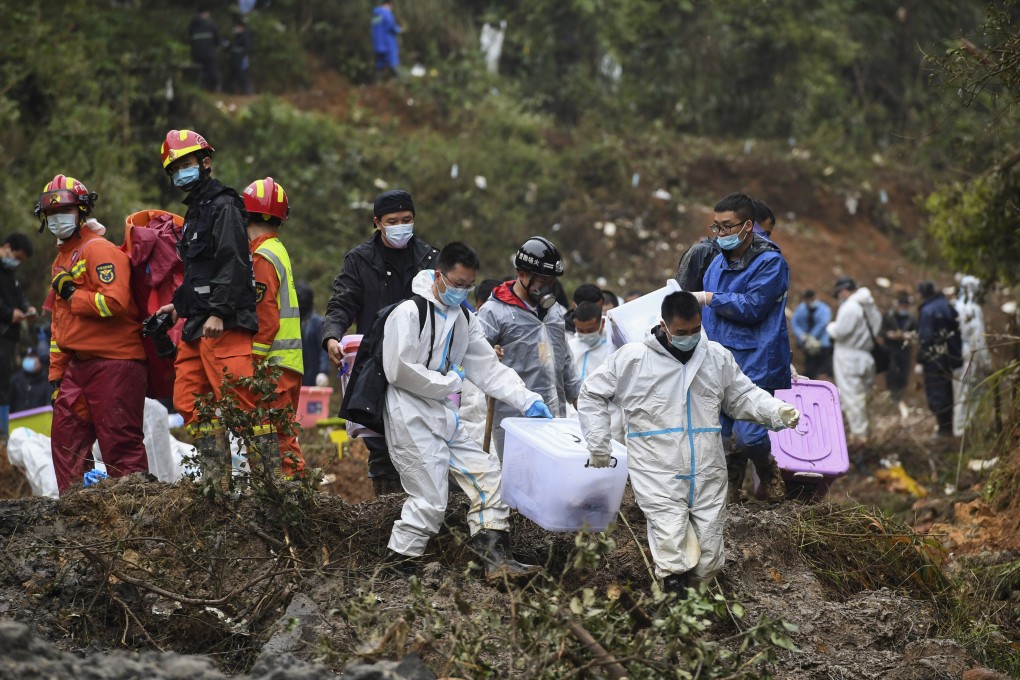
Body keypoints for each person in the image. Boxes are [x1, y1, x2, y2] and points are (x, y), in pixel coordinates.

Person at [579, 291, 799, 597]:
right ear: (664, 326)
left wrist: (776, 412)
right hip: (658, 468)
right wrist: (599, 444)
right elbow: (592, 393)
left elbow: (742, 395)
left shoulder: (715, 357)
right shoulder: (633, 359)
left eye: (695, 331)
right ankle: (674, 604)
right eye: (681, 333)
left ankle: (695, 608)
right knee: (671, 543)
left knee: (710, 554)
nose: (690, 338)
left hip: (707, 467)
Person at [381, 242, 547, 580]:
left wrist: (525, 398)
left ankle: (495, 557)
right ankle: (399, 566)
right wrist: (448, 381)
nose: (462, 291)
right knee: (429, 498)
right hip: (408, 413)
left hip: (442, 413)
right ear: (439, 276)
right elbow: (397, 370)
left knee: (488, 473)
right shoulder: (410, 313)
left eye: (469, 285)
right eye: (457, 284)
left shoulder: (464, 319)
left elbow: (487, 368)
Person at [154, 129, 263, 484]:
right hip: (197, 321)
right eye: (175, 168)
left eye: (187, 163)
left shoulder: (224, 204)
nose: (182, 172)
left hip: (224, 323)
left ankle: (269, 488)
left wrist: (219, 311)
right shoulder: (197, 212)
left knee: (242, 405)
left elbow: (234, 261)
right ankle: (217, 484)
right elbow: (199, 273)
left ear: (205, 163)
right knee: (189, 400)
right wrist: (175, 305)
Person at [36, 175, 148, 494]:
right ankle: (78, 517)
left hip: (116, 362)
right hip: (78, 367)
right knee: (66, 443)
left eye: (66, 211)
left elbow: (115, 301)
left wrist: (73, 293)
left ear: (82, 212)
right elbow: (61, 326)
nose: (58, 219)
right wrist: (57, 376)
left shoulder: (99, 250)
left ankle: (134, 516)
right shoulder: (61, 261)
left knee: (120, 446)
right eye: (52, 214)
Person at [321, 189, 439, 495]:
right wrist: (332, 334)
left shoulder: (431, 259)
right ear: (378, 223)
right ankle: (386, 512)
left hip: (419, 364)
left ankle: (422, 509)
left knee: (420, 442)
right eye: (393, 221)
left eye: (407, 219)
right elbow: (342, 303)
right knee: (381, 444)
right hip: (374, 363)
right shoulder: (360, 261)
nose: (401, 226)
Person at [696, 193, 791, 503]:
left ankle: (767, 468)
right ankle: (731, 489)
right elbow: (706, 316)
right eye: (716, 227)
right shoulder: (715, 264)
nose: (720, 234)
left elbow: (753, 307)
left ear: (747, 226)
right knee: (719, 436)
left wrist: (711, 298)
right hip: (716, 360)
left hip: (754, 361)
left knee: (749, 436)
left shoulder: (770, 263)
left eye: (727, 227)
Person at [478, 237, 581, 456]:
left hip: (555, 416)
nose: (547, 287)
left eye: (551, 281)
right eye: (542, 281)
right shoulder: (494, 312)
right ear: (522, 274)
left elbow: (564, 357)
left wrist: (576, 394)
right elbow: (474, 357)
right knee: (521, 481)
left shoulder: (553, 312)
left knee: (554, 475)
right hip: (516, 419)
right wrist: (489, 354)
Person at [244, 176, 305, 478]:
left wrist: (251, 364)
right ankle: (289, 499)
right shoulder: (277, 250)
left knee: (275, 441)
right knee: (279, 438)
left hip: (272, 368)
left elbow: (266, 319)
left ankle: (292, 501)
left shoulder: (262, 257)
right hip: (287, 365)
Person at [825, 277, 882, 448]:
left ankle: (859, 437)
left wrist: (830, 327)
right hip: (865, 356)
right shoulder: (870, 307)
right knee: (864, 397)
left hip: (849, 357)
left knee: (853, 398)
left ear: (843, 291)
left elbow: (841, 332)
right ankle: (865, 432)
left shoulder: (850, 307)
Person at [567, 301, 625, 442]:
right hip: (575, 418)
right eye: (580, 330)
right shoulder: (571, 347)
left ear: (602, 324)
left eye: (590, 330)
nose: (585, 334)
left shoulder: (614, 346)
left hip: (610, 419)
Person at [0, 233, 35, 443]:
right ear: (6, 247)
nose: (17, 262)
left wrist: (27, 308)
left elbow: (18, 296)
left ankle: (3, 433)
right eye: (17, 257)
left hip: (9, 338)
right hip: (2, 332)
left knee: (5, 384)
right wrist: (8, 314)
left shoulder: (9, 272)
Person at [916, 281, 962, 438]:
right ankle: (949, 427)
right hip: (950, 356)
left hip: (934, 360)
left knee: (937, 393)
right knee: (948, 391)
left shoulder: (928, 310)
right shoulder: (946, 304)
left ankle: (944, 429)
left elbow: (925, 337)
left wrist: (921, 358)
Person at [953, 276, 991, 436]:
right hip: (970, 354)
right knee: (969, 391)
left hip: (957, 352)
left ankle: (961, 427)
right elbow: (978, 337)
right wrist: (986, 361)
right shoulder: (973, 309)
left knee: (959, 390)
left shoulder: (956, 305)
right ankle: (962, 429)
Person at [881, 293, 917, 414]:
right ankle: (892, 394)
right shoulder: (889, 316)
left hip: (904, 349)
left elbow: (916, 333)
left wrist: (909, 336)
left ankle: (900, 394)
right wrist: (889, 335)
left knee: (903, 373)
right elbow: (882, 331)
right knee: (891, 371)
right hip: (891, 348)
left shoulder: (911, 318)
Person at [790, 290, 832, 379]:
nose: (810, 302)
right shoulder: (801, 309)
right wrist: (801, 335)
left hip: (822, 343)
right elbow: (794, 322)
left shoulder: (824, 309)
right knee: (810, 368)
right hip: (808, 345)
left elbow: (823, 323)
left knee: (824, 368)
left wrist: (812, 336)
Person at [296, 283, 330, 388]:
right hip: (295, 378)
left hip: (314, 380)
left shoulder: (318, 323)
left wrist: (323, 372)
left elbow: (323, 349)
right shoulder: (291, 323)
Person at [189, 7, 222, 93]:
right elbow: (217, 40)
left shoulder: (193, 25)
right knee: (213, 70)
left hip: (196, 53)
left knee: (200, 71)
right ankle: (216, 88)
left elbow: (190, 39)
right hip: (209, 52)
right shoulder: (211, 25)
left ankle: (201, 88)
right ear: (206, 13)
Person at [10, 348, 50, 413]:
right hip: (18, 420)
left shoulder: (47, 380)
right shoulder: (16, 379)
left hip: (40, 420)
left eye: (33, 357)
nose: (29, 359)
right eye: (27, 357)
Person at [371, 1, 402, 82]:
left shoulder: (375, 14)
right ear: (389, 5)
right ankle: (398, 81)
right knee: (393, 61)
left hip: (378, 44)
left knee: (380, 63)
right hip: (388, 42)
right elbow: (392, 27)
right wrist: (399, 29)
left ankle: (378, 83)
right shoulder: (386, 13)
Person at [228, 15, 254, 95]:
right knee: (235, 76)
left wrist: (245, 58)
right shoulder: (236, 37)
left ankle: (248, 92)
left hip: (241, 58)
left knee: (243, 76)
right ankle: (233, 91)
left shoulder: (245, 37)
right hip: (235, 59)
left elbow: (247, 48)